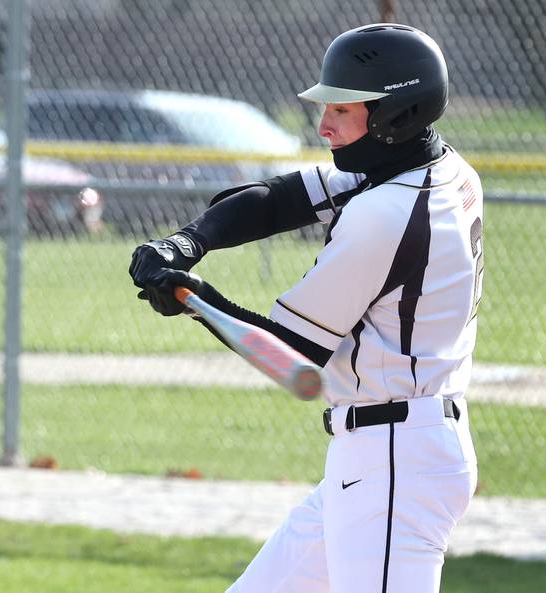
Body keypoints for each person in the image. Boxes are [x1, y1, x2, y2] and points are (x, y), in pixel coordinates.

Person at [129, 23, 481, 593]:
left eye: (342, 109)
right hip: (383, 451)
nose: (324, 125)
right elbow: (282, 198)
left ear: (396, 116)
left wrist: (195, 301)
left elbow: (294, 354)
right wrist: (188, 243)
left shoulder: (386, 214)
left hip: (393, 460)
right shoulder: (434, 166)